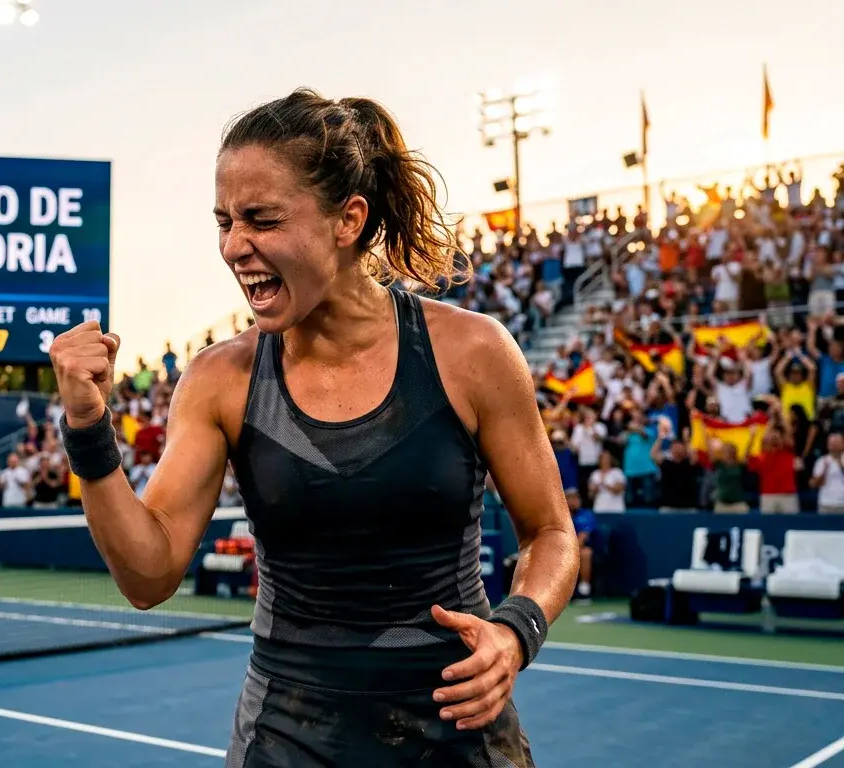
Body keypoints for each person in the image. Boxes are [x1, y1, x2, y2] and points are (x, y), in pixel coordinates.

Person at [51, 88, 578, 766]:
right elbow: (147, 577)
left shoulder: (473, 352)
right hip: (288, 739)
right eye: (224, 221)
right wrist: (89, 429)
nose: (234, 245)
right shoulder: (218, 380)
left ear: (348, 220)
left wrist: (516, 630)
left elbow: (552, 532)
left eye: (261, 219)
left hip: (459, 731)